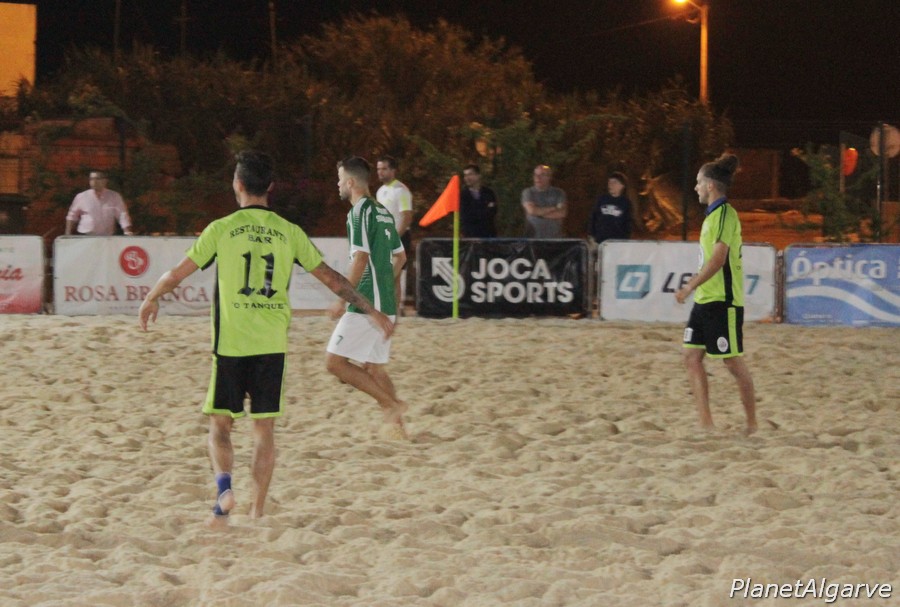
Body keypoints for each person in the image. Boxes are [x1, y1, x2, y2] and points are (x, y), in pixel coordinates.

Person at [138, 150, 394, 524]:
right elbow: (333, 279)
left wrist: (152, 297)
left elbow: (177, 274)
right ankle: (257, 511)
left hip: (231, 344)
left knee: (220, 425)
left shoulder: (222, 228)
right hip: (272, 346)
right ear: (270, 187)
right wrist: (371, 309)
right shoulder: (289, 232)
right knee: (264, 430)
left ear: (238, 184)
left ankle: (224, 490)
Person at [327, 156, 409, 439]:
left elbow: (360, 258)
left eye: (340, 180)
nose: (338, 184)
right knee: (375, 368)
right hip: (385, 301)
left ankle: (391, 405)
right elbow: (401, 258)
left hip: (366, 303)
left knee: (334, 363)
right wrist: (387, 286)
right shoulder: (383, 212)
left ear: (350, 182)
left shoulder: (359, 212)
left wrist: (342, 297)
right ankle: (398, 430)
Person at [675, 153, 757, 435]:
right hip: (705, 300)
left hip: (723, 301)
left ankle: (752, 424)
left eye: (699, 182)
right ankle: (706, 424)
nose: (696, 187)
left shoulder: (725, 214)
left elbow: (718, 260)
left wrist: (689, 285)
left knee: (732, 361)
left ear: (710, 185)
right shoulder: (712, 216)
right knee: (691, 357)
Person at [375, 155, 413, 308]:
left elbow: (407, 216)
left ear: (393, 170)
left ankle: (382, 308)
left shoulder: (401, 190)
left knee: (389, 276)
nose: (380, 172)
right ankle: (395, 311)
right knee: (395, 279)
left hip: (399, 238)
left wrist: (394, 238)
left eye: (384, 169)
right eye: (378, 169)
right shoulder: (380, 191)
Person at [65, 170, 134, 235]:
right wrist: (67, 234)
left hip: (107, 236)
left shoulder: (114, 196)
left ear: (105, 181)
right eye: (91, 179)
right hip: (86, 235)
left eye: (97, 179)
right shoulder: (82, 196)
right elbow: (72, 216)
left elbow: (122, 215)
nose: (94, 181)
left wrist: (127, 231)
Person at [521, 164, 566, 238]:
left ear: (549, 177)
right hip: (533, 238)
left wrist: (537, 213)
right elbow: (531, 210)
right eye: (535, 175)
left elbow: (561, 213)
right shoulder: (528, 192)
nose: (538, 178)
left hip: (554, 239)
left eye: (542, 175)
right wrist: (554, 208)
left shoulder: (559, 193)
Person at [589, 171, 632, 243]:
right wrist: (591, 235)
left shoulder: (625, 203)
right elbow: (594, 217)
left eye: (614, 182)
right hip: (600, 240)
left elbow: (628, 224)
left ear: (622, 185)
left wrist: (625, 240)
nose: (611, 185)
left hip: (617, 241)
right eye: (609, 182)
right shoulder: (602, 199)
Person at [460, 163, 498, 238]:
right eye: (465, 175)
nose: (467, 178)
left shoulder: (488, 193)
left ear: (478, 175)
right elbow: (466, 216)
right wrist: (484, 210)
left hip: (488, 235)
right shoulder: (462, 195)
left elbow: (492, 212)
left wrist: (477, 212)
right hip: (470, 236)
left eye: (470, 174)